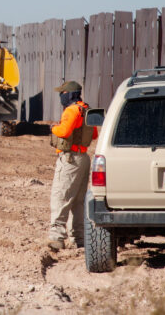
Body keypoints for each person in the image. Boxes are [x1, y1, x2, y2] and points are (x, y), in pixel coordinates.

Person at [47, 80, 98, 252]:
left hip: (69, 159)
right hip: (83, 158)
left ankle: (56, 237)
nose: (61, 96)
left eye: (62, 93)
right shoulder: (87, 109)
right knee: (78, 201)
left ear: (68, 94)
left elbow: (64, 131)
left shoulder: (71, 110)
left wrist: (54, 128)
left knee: (61, 197)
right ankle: (79, 238)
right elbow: (95, 134)